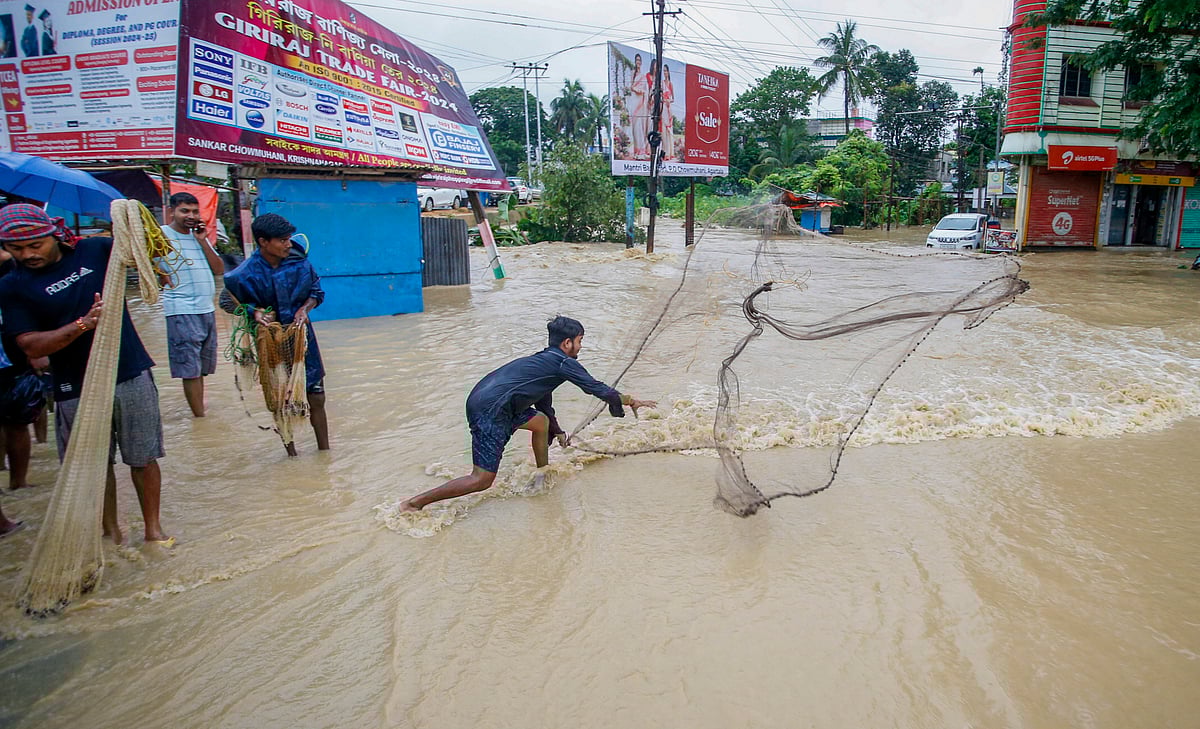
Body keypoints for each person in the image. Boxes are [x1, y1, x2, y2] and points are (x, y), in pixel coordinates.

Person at [0, 204, 170, 546]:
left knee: (144, 456)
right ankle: (111, 532)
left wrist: (146, 248)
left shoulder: (96, 249)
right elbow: (31, 345)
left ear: (53, 234)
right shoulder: (12, 285)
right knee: (93, 465)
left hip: (129, 369)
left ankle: (153, 530)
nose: (27, 254)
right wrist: (83, 324)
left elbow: (150, 261)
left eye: (36, 245)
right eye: (16, 249)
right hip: (73, 383)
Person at [399, 315, 656, 512]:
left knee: (541, 422)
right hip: (491, 409)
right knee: (482, 479)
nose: (580, 347)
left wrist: (556, 430)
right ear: (567, 343)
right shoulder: (565, 363)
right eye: (580, 341)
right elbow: (595, 387)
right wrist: (630, 401)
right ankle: (414, 504)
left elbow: (543, 402)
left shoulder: (546, 363)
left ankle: (542, 472)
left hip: (489, 401)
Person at [222, 212, 329, 456]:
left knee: (317, 395)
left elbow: (317, 292)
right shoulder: (243, 274)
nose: (288, 244)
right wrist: (254, 312)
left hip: (303, 338)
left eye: (289, 239)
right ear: (263, 242)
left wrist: (305, 308)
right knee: (280, 399)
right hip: (270, 342)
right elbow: (226, 301)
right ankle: (291, 454)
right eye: (282, 240)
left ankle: (325, 453)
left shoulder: (299, 261)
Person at [159, 192, 223, 417]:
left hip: (206, 309)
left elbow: (219, 269)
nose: (191, 216)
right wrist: (157, 274)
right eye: (184, 211)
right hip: (181, 310)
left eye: (195, 211)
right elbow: (143, 264)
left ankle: (199, 410)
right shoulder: (160, 237)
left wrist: (203, 240)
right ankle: (200, 419)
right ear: (171, 212)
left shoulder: (199, 236)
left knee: (201, 369)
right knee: (190, 370)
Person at [0, 245, 48, 491]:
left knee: (19, 419)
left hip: (14, 353)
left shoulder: (12, 266)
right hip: (15, 351)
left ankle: (19, 483)